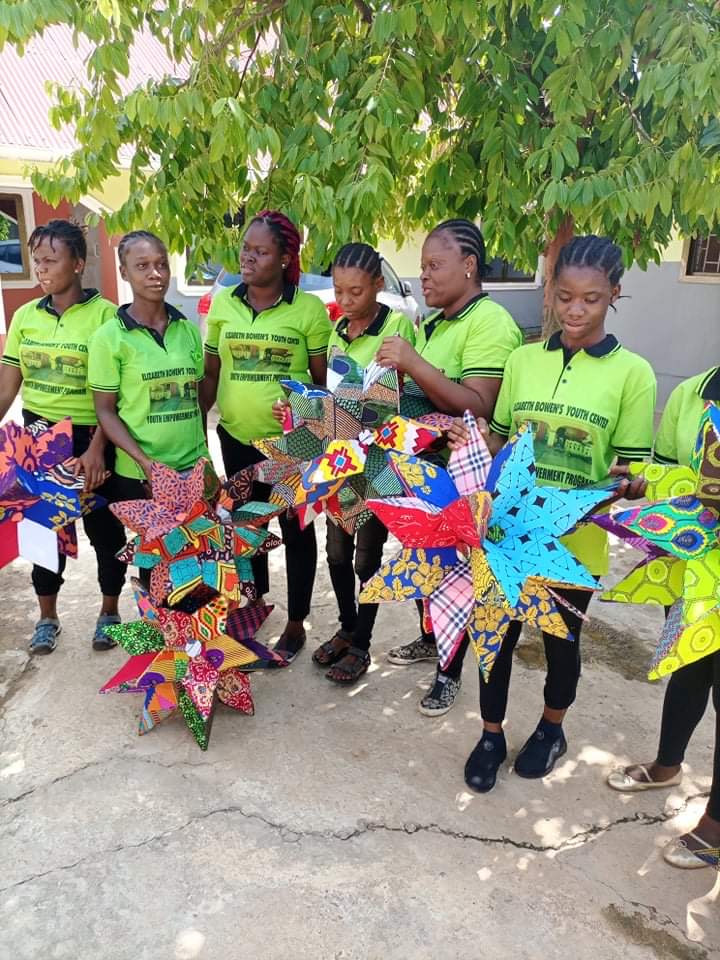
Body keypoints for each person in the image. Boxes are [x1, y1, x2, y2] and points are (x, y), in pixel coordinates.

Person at [456, 234, 655, 793]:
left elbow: (633, 467)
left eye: (590, 299)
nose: (574, 309)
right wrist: (465, 447)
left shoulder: (632, 374)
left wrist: (631, 485)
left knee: (561, 643)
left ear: (614, 294)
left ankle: (551, 728)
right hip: (504, 536)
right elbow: (496, 442)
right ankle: (491, 733)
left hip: (575, 544)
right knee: (493, 637)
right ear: (551, 291)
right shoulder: (521, 361)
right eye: (564, 295)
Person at [375, 218, 522, 716]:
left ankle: (449, 672)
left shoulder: (489, 323)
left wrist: (413, 363)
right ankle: (430, 639)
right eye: (421, 268)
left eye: (435, 265)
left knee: (455, 579)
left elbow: (478, 406)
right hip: (423, 479)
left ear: (469, 265)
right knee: (425, 570)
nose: (424, 278)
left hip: (461, 487)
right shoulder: (436, 322)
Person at [201, 210, 331, 662]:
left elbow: (321, 383)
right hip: (236, 439)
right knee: (246, 529)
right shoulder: (224, 304)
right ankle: (253, 608)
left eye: (260, 251)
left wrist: (301, 409)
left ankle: (296, 623)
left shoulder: (309, 311)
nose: (248, 257)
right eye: (245, 249)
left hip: (291, 447)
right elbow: (212, 373)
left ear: (284, 258)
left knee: (296, 532)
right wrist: (201, 432)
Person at [606, 367, 720, 870]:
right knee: (688, 664)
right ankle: (667, 764)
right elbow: (675, 478)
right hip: (697, 560)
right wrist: (638, 486)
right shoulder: (694, 391)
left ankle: (716, 824)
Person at [0, 219, 125, 654]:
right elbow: (6, 387)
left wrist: (97, 449)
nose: (41, 269)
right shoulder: (25, 318)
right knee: (43, 531)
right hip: (38, 438)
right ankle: (47, 617)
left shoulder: (106, 316)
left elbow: (116, 393)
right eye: (36, 261)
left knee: (104, 531)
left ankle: (109, 611)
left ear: (78, 263)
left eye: (50, 260)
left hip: (92, 437)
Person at [299, 242, 415, 683]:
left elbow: (401, 394)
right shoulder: (337, 330)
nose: (345, 301)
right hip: (339, 462)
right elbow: (331, 394)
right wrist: (303, 411)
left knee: (366, 558)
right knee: (336, 551)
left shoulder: (397, 327)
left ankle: (362, 643)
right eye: (339, 292)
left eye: (356, 292)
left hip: (379, 466)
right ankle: (347, 628)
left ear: (379, 286)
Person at [89, 230, 209, 497]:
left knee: (200, 539)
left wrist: (206, 461)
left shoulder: (187, 330)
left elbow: (197, 404)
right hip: (141, 476)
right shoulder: (109, 338)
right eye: (142, 266)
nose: (155, 273)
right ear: (124, 272)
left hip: (194, 470)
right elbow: (105, 412)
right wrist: (147, 465)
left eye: (162, 264)